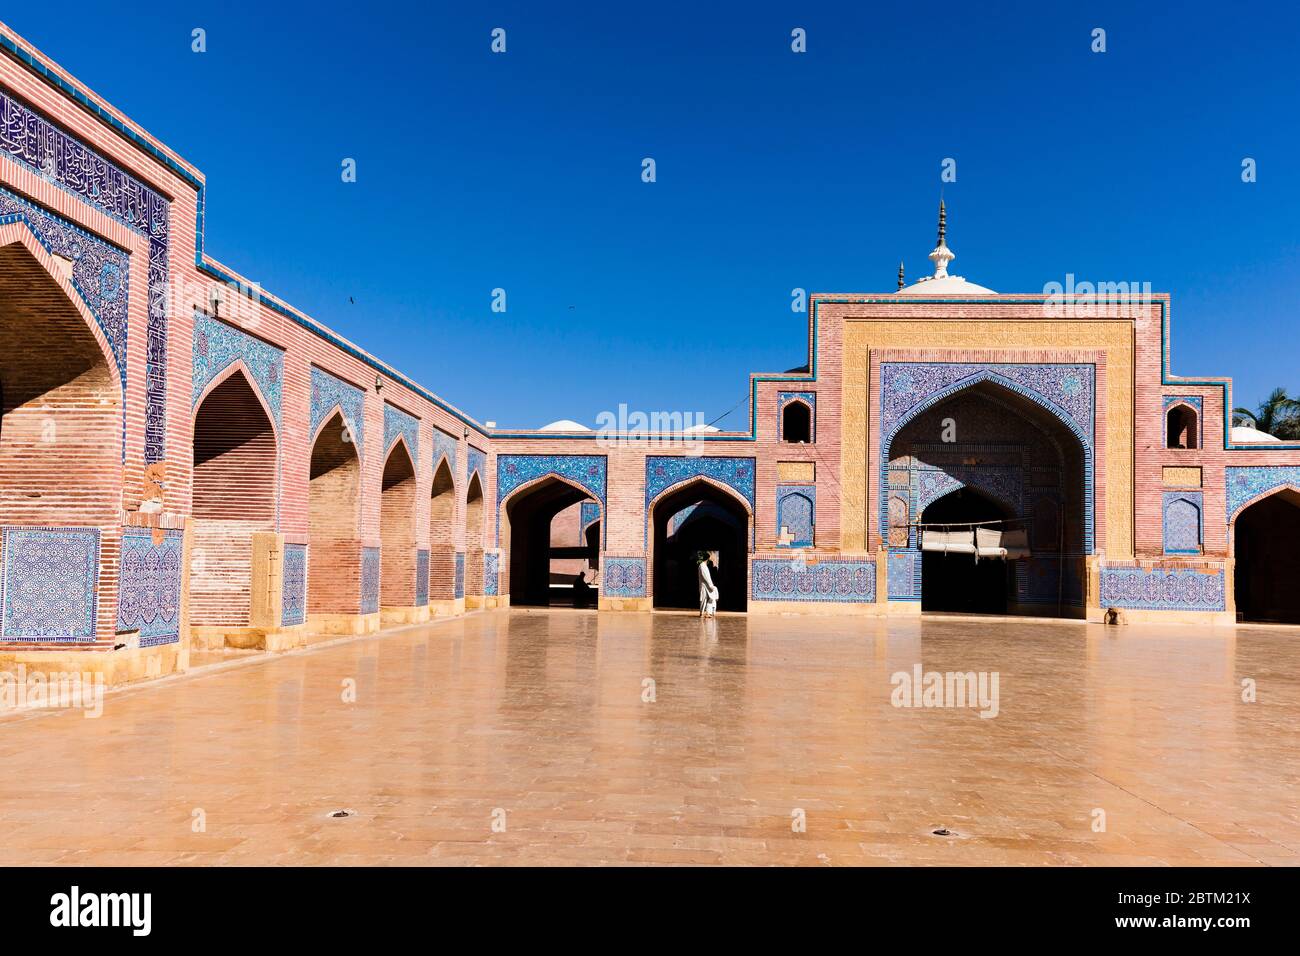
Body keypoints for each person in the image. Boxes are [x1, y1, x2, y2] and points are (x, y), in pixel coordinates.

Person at [695, 551, 718, 617]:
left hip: (707, 585)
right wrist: (711, 585)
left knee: (709, 598)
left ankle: (708, 612)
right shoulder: (702, 566)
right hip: (705, 585)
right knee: (704, 599)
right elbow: (706, 577)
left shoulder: (704, 566)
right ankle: (702, 613)